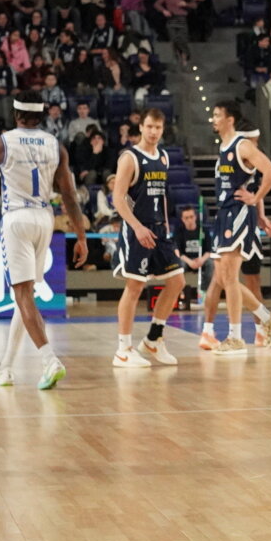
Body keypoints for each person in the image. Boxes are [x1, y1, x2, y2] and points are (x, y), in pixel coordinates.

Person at [0, 90, 89, 387]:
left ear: (15, 115)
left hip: (16, 218)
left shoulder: (1, 143)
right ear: (41, 116)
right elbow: (69, 195)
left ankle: (49, 360)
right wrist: (80, 235)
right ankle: (5, 368)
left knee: (23, 295)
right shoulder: (56, 145)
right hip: (45, 219)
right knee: (23, 297)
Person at [109, 109, 186, 368]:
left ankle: (154, 338)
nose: (154, 132)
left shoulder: (163, 157)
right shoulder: (129, 158)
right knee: (134, 287)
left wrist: (166, 230)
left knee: (177, 281)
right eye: (150, 127)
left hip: (159, 230)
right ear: (140, 127)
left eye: (158, 128)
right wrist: (138, 228)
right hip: (136, 229)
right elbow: (118, 199)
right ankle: (123, 349)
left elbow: (161, 197)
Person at [207, 101, 271, 354]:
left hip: (238, 214)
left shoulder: (243, 145)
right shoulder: (224, 146)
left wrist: (256, 197)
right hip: (225, 214)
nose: (213, 119)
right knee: (225, 279)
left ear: (230, 120)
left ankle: (236, 337)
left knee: (230, 278)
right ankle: (267, 318)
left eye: (217, 115)